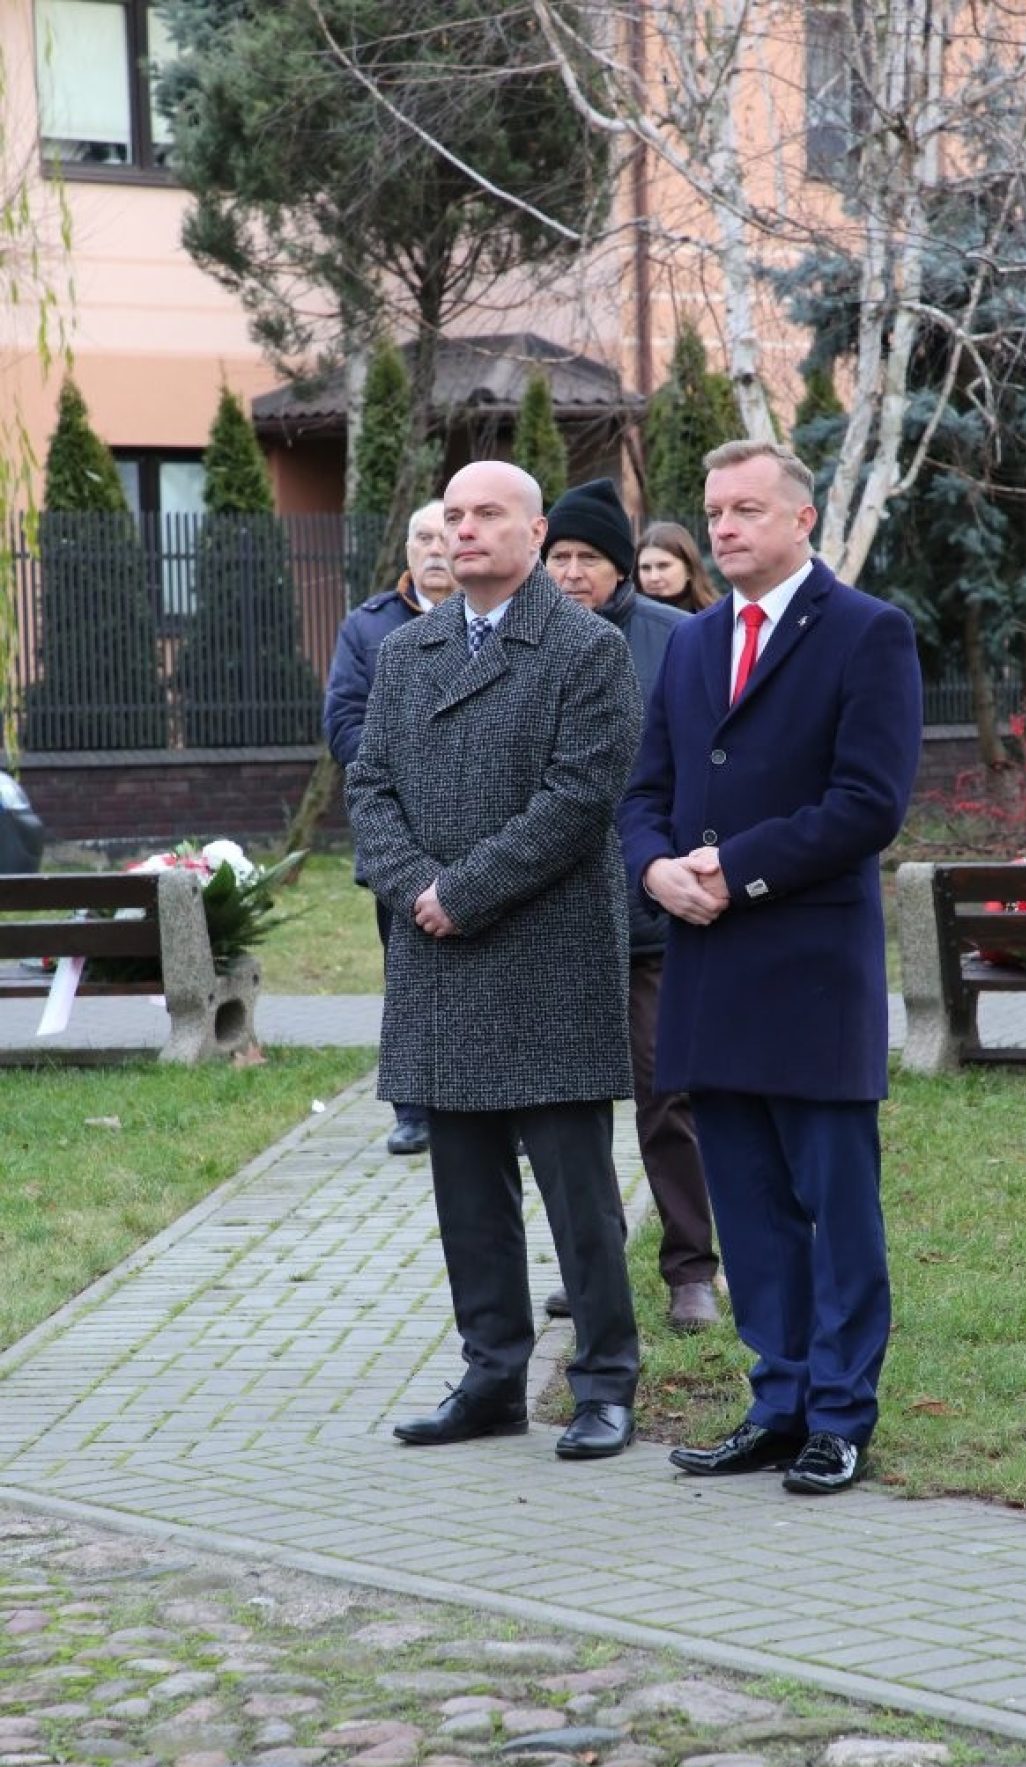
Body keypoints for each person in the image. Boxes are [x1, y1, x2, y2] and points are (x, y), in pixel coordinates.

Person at [620, 440, 923, 1495]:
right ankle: (778, 1403)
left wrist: (732, 869)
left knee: (836, 1210)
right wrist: (654, 867)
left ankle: (840, 1416)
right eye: (714, 510)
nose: (723, 527)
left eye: (747, 508)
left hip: (809, 970)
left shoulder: (868, 631)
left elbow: (868, 804)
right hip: (709, 964)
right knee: (748, 1210)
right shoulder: (696, 641)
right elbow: (646, 789)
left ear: (802, 519)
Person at [345, 460, 644, 1461]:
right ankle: (490, 1378)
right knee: (467, 1194)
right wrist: (414, 887)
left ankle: (605, 1379)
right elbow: (369, 784)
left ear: (535, 530)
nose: (463, 531)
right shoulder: (407, 650)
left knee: (578, 1195)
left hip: (545, 951)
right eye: (453, 516)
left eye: (486, 514)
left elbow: (580, 797)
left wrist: (462, 891)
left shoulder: (588, 648)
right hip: (437, 952)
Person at [542, 478, 719, 1333]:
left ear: (623, 567)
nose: (573, 573)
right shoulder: (524, 637)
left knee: (666, 1094)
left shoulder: (674, 639)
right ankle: (592, 1268)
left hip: (651, 916)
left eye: (591, 558)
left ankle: (691, 1270)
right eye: (560, 557)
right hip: (552, 916)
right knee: (569, 1108)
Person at [324, 500, 455, 1155]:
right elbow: (344, 724)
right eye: (422, 537)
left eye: (445, 535)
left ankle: (501, 1107)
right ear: (407, 550)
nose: (435, 548)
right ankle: (415, 1110)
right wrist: (415, 776)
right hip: (399, 834)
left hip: (486, 831)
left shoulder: (501, 620)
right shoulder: (369, 628)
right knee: (407, 976)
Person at [635, 521, 718, 612]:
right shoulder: (626, 617)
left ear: (688, 570)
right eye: (645, 568)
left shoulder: (718, 616)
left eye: (663, 566)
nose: (653, 577)